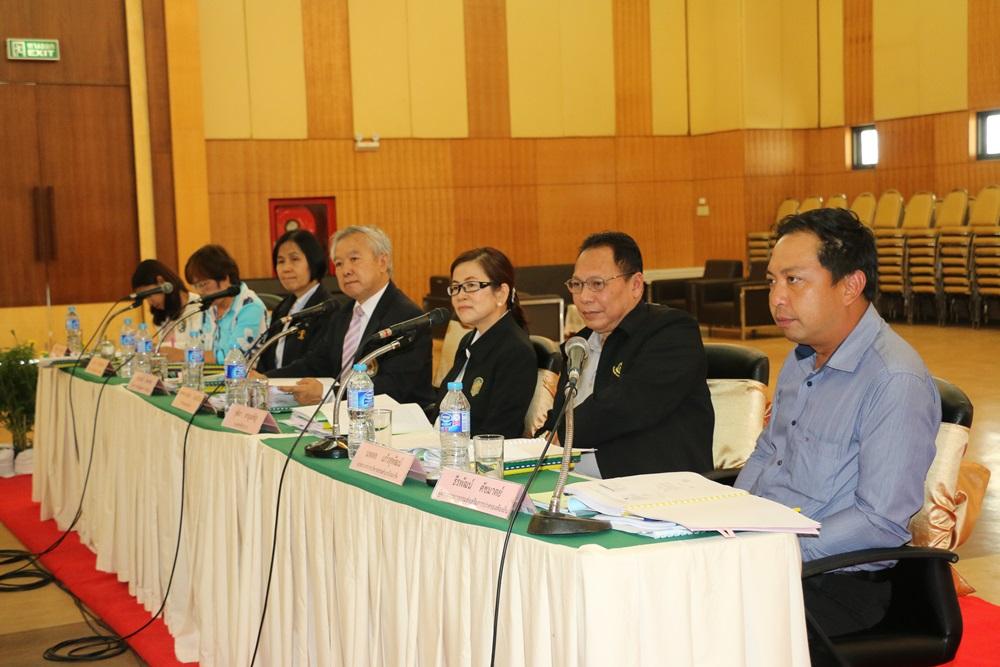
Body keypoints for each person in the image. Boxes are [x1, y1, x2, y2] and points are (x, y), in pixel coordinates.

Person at [734, 208, 939, 651]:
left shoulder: (894, 381)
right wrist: (730, 522)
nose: (777, 298)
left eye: (794, 280)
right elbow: (768, 453)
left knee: (693, 623)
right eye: (772, 281)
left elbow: (880, 521)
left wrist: (775, 550)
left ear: (850, 285)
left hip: (834, 582)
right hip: (766, 555)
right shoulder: (802, 358)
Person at [539, 231, 714, 478]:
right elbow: (559, 417)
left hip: (651, 484)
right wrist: (541, 441)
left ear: (635, 285)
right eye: (577, 285)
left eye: (597, 284)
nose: (584, 297)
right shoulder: (580, 343)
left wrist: (560, 435)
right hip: (576, 480)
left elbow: (628, 404)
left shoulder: (672, 331)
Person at [266, 225, 434, 408]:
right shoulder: (343, 314)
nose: (346, 270)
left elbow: (395, 387)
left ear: (382, 262)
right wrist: (265, 378)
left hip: (394, 419)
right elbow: (316, 363)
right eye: (339, 264)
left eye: (354, 259)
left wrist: (328, 394)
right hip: (342, 414)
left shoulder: (408, 318)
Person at [436, 248, 537, 438]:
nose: (460, 295)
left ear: (501, 293)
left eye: (471, 285)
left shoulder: (516, 351)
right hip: (445, 445)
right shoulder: (468, 340)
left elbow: (500, 431)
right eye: (456, 287)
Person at [255, 230, 335, 373]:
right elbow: (265, 359)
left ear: (313, 261)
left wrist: (269, 378)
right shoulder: (282, 308)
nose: (286, 268)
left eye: (295, 259)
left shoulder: (327, 309)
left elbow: (314, 364)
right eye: (281, 261)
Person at [184, 244, 267, 364]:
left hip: (243, 374)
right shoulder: (210, 307)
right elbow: (199, 346)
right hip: (210, 374)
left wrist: (182, 355)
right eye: (196, 286)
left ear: (225, 278)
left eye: (203, 284)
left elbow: (231, 357)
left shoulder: (251, 307)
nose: (200, 292)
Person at [130, 259, 200, 361]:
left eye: (149, 295)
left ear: (161, 282)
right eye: (146, 298)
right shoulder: (162, 313)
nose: (150, 302)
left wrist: (163, 349)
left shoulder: (198, 307)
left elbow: (200, 347)